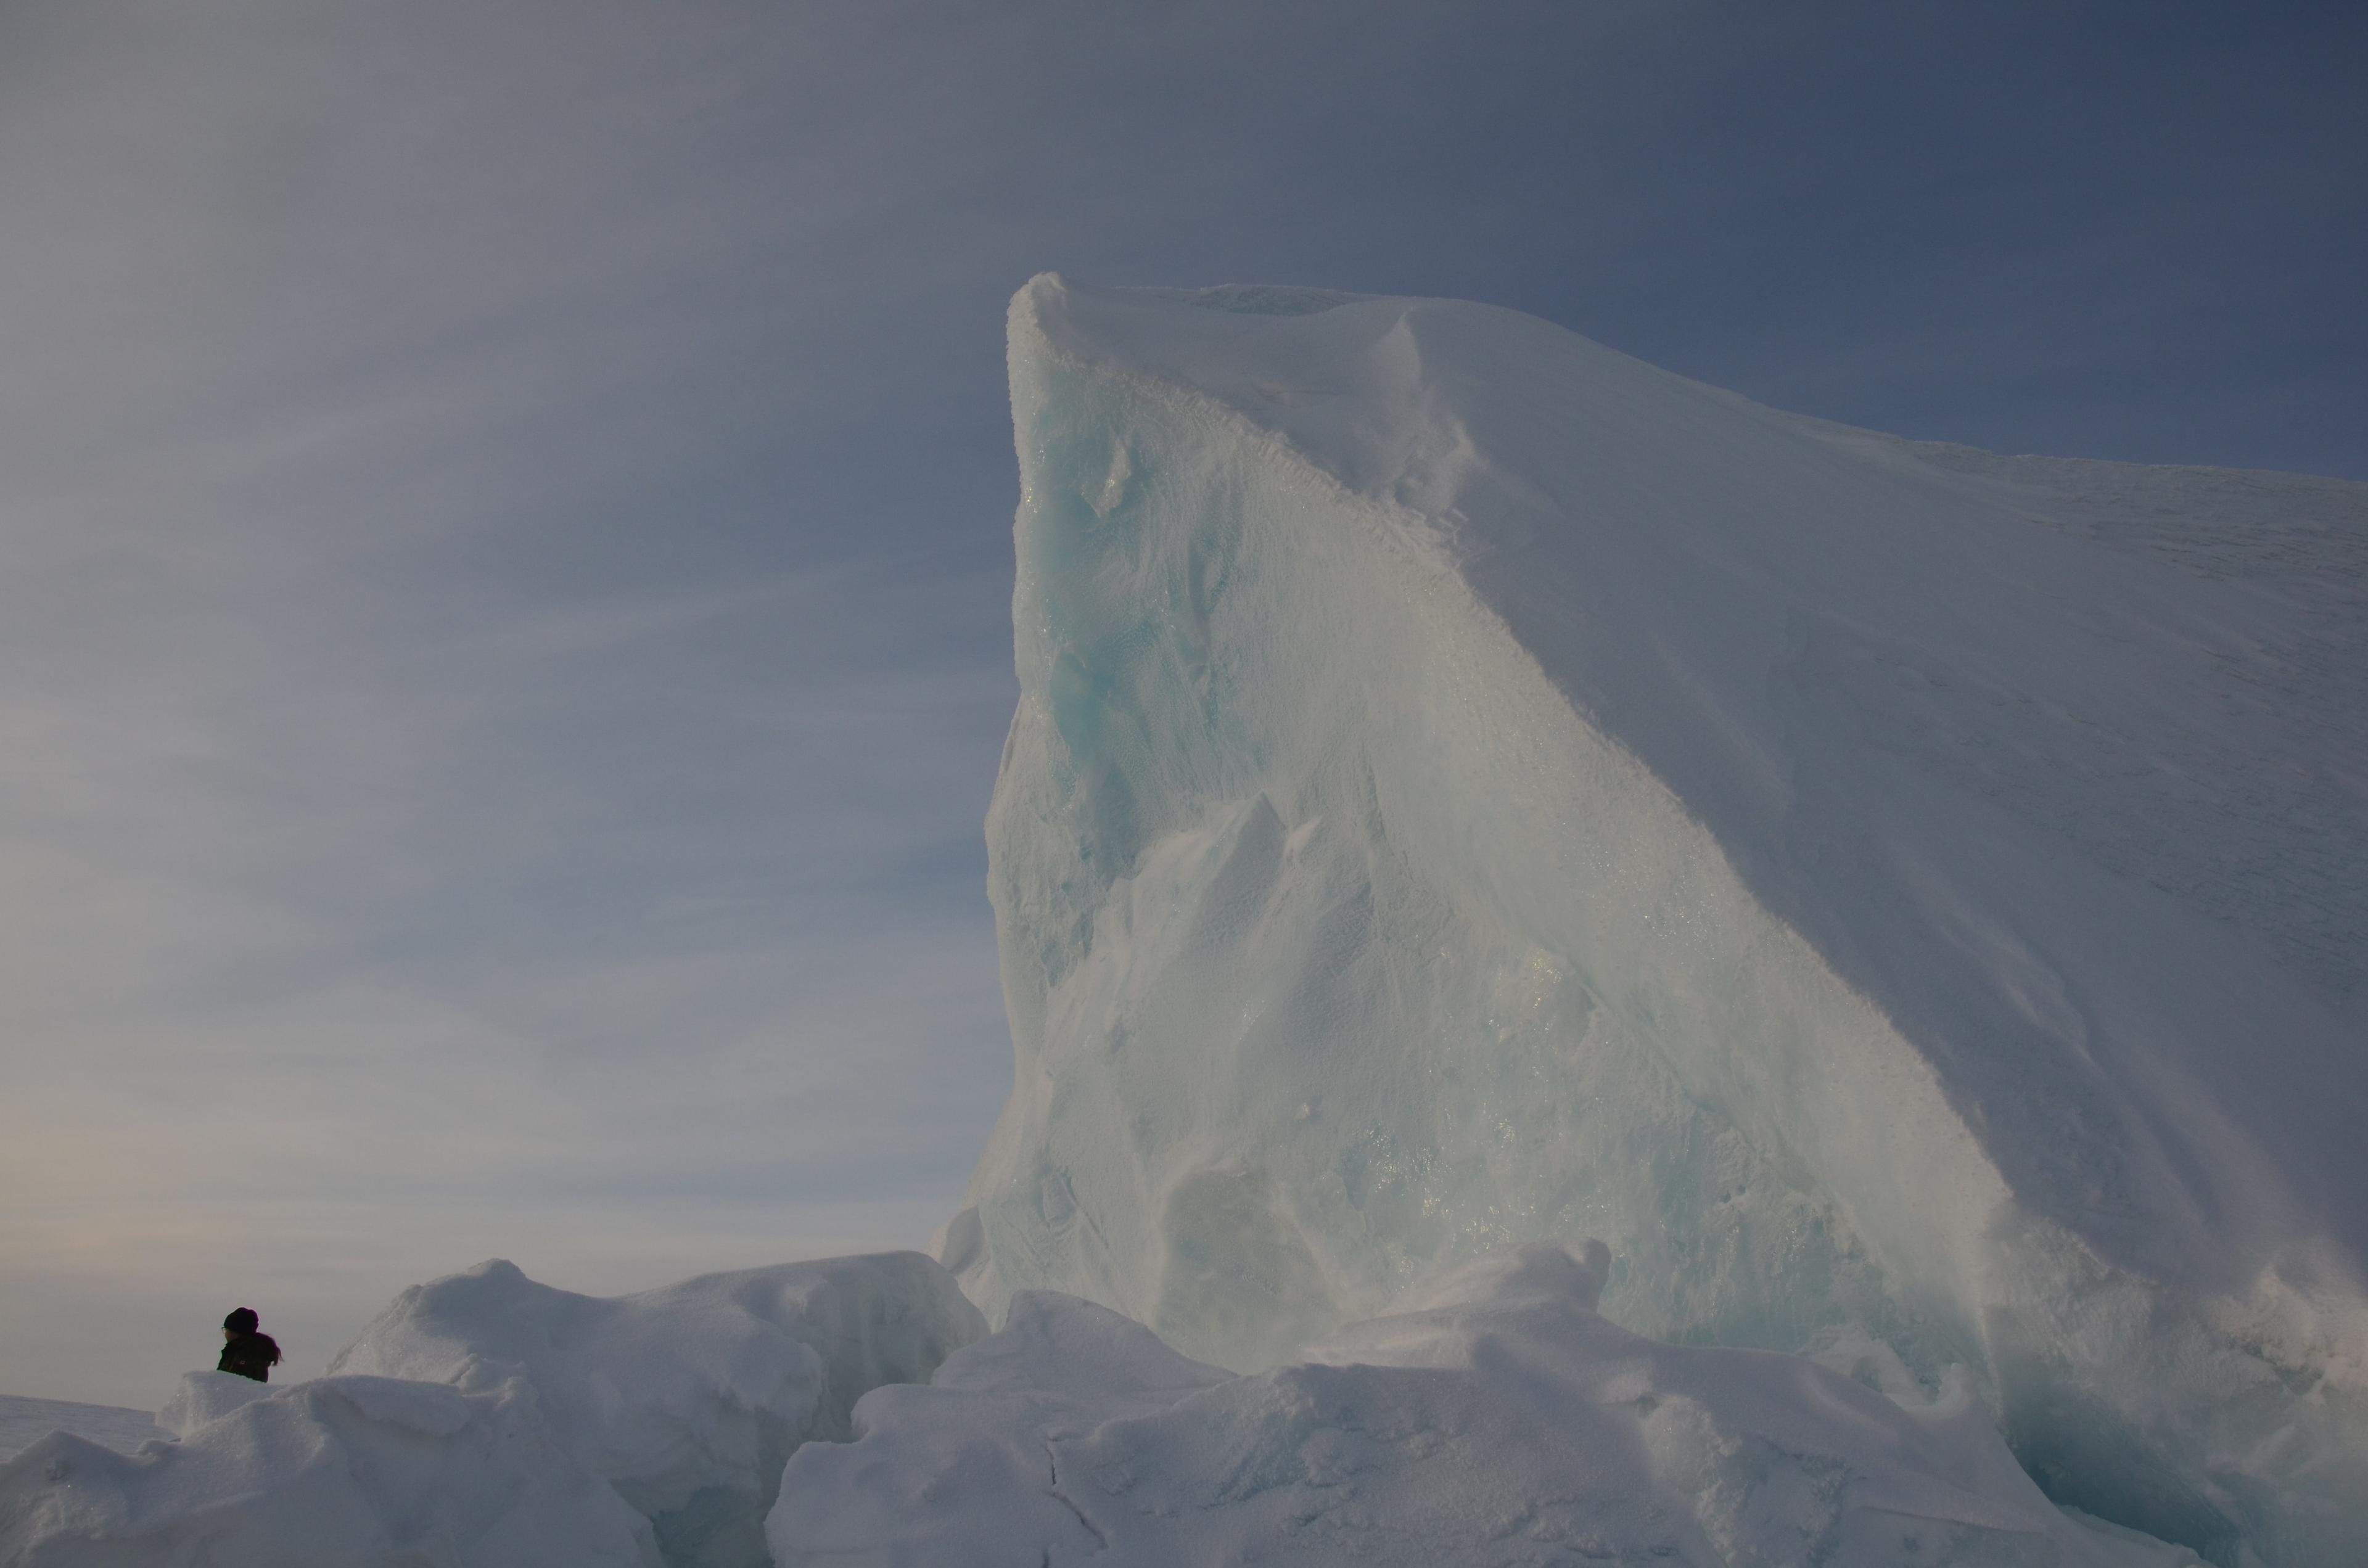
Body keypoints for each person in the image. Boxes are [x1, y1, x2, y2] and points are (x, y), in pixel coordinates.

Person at [218, 1307, 282, 1382]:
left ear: (234, 1332)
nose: (225, 1334)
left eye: (226, 1330)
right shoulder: (252, 1350)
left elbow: (233, 1385)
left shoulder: (245, 1354)